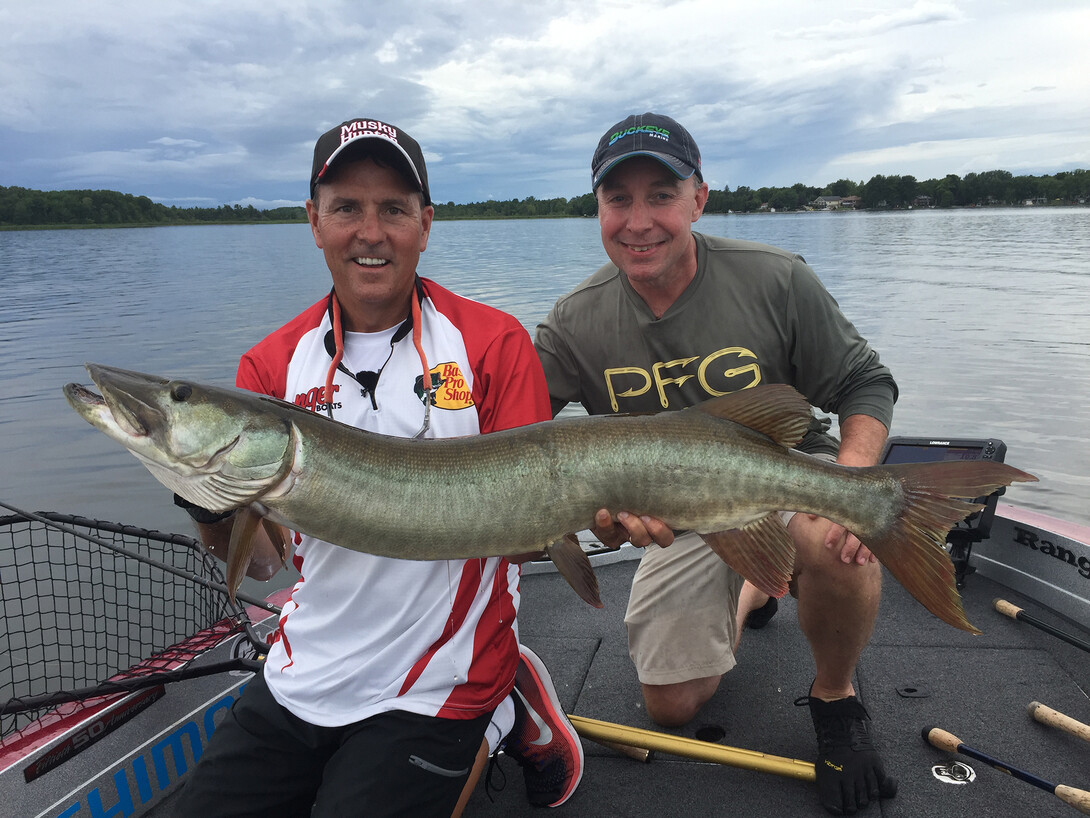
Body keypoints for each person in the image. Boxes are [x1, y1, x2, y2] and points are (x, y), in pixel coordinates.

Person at [172, 118, 582, 816]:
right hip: (308, 665)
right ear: (314, 221)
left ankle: (505, 705)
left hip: (444, 675)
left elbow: (528, 535)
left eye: (393, 209)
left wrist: (598, 509)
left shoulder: (491, 343)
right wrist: (206, 500)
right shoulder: (270, 364)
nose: (370, 231)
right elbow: (266, 564)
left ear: (425, 224)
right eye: (347, 208)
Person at [535, 112, 899, 816]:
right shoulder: (575, 322)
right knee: (671, 705)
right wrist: (594, 514)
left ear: (699, 199)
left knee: (836, 542)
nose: (639, 221)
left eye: (660, 195)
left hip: (784, 474)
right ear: (598, 209)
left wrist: (851, 480)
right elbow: (509, 437)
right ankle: (756, 589)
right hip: (679, 515)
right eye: (618, 199)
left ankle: (835, 701)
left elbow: (864, 383)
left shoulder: (774, 279)